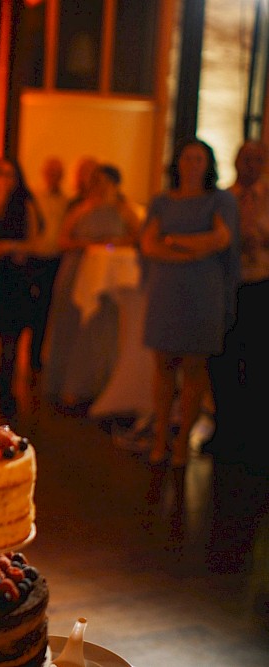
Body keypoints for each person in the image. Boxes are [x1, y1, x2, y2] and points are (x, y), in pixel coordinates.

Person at [139, 138, 239, 472]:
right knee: (163, 365)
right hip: (166, 289)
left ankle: (183, 442)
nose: (192, 164)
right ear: (177, 163)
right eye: (187, 158)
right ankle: (160, 440)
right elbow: (149, 244)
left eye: (199, 158)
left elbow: (221, 240)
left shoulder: (220, 200)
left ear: (208, 164)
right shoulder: (162, 201)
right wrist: (193, 249)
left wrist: (176, 241)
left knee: (195, 368)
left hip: (203, 291)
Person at [43, 164, 141, 411]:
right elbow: (63, 240)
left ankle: (97, 386)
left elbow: (138, 237)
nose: (100, 187)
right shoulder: (82, 208)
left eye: (105, 182)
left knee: (101, 331)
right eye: (96, 181)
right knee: (71, 326)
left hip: (108, 276)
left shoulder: (125, 209)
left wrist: (112, 244)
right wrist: (87, 245)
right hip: (77, 271)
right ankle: (68, 385)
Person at [207, 140, 269, 470]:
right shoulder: (222, 198)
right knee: (224, 359)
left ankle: (255, 436)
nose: (251, 165)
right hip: (226, 286)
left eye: (258, 159)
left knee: (258, 361)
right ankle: (225, 429)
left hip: (261, 286)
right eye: (246, 159)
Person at [0, 157, 41, 419]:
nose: (5, 179)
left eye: (10, 175)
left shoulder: (24, 206)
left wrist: (7, 247)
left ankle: (6, 395)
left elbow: (34, 242)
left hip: (15, 278)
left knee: (10, 340)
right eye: (1, 174)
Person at [28, 156, 69, 378]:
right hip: (35, 258)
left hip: (55, 260)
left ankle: (38, 358)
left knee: (47, 310)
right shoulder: (35, 197)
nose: (54, 177)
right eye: (50, 172)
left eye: (57, 173)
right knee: (32, 309)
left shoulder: (66, 201)